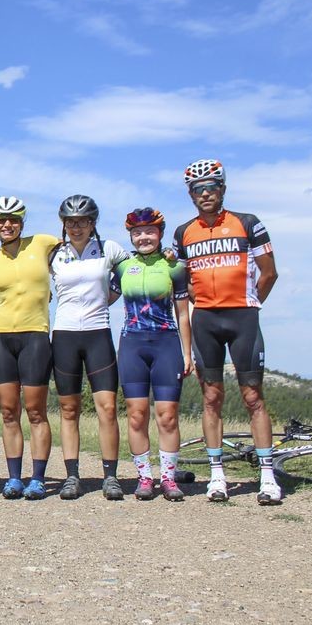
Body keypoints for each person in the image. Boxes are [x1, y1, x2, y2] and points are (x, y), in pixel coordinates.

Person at [173, 159, 280, 505]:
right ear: (191, 195)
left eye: (211, 187)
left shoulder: (248, 224)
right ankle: (217, 476)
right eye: (198, 189)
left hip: (243, 319)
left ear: (223, 189)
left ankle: (267, 477)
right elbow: (181, 280)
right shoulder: (183, 232)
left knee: (253, 397)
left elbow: (269, 273)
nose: (205, 193)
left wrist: (250, 303)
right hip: (205, 320)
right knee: (211, 398)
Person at [48, 195, 128, 501]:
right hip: (65, 334)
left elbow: (132, 273)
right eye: (70, 222)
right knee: (69, 409)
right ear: (63, 225)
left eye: (82, 221)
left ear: (93, 223)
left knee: (107, 408)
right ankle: (72, 476)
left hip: (98, 333)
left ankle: (110, 476)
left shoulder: (109, 248)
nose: (76, 227)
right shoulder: (54, 253)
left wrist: (112, 295)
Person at [0, 196, 58, 500]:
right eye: (1, 220)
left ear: (22, 222)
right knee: (9, 412)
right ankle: (14, 477)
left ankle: (38, 478)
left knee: (36, 411)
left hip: (35, 335)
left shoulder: (42, 242)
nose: (7, 225)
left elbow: (76, 242)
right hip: (1, 336)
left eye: (13, 219)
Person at [115, 208, 192, 502]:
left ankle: (168, 479)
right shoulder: (122, 267)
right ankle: (145, 477)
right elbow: (103, 295)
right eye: (137, 233)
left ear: (159, 233)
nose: (143, 237)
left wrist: (188, 352)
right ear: (130, 236)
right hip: (133, 344)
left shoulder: (174, 268)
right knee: (136, 416)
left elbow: (184, 314)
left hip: (166, 343)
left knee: (168, 416)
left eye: (149, 231)